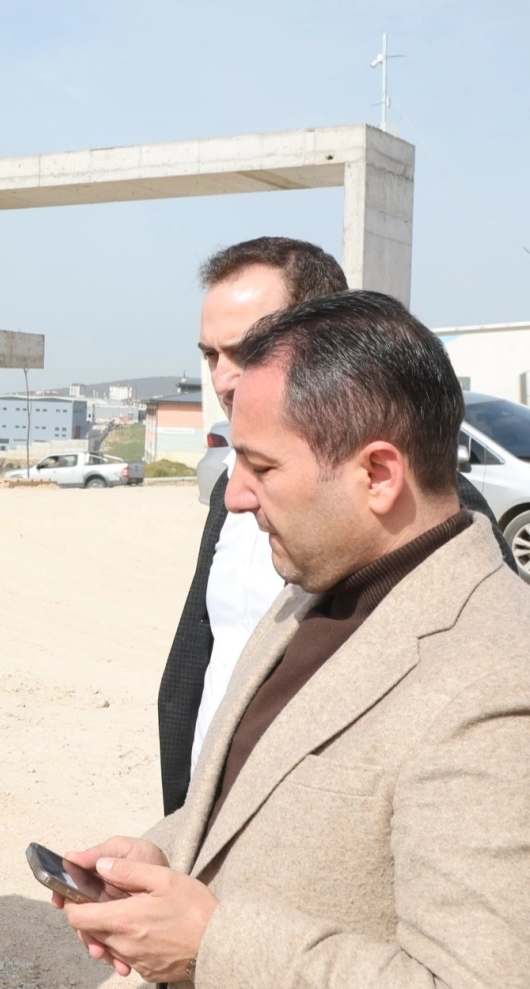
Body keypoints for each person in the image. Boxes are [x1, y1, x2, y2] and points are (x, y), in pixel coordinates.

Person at [58, 291, 530, 989]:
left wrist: (210, 944)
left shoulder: (492, 679)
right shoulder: (309, 590)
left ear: (377, 473)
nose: (234, 495)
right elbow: (268, 798)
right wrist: (161, 854)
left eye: (262, 466)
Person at [155, 237, 505, 814]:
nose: (223, 379)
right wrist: (180, 824)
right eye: (211, 355)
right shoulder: (230, 494)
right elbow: (204, 653)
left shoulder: (433, 514)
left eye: (247, 350)